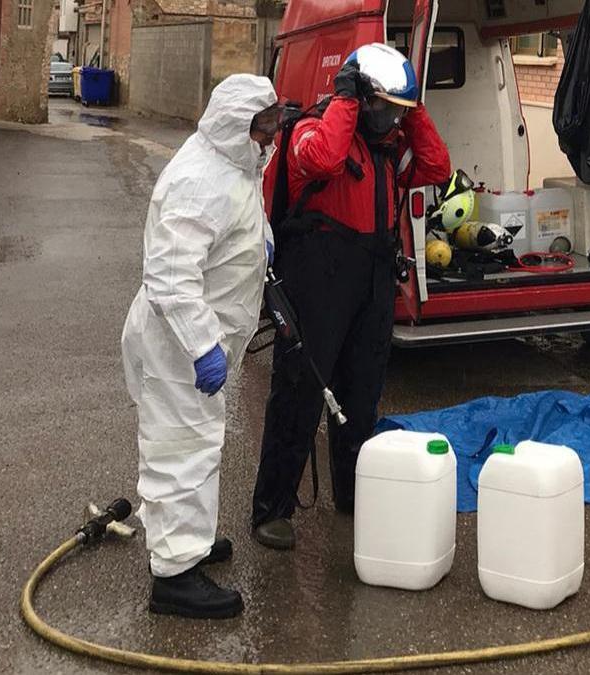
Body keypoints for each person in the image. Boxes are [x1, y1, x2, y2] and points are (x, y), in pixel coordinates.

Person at [250, 43, 451, 549]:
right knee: (298, 394)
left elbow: (436, 166)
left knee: (360, 395)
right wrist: (345, 99)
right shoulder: (311, 132)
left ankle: (353, 490)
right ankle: (271, 508)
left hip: (372, 281)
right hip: (317, 281)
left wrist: (414, 107)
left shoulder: (387, 150)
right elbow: (322, 160)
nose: (390, 121)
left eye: (396, 112)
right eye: (385, 107)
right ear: (360, 96)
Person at [121, 74, 283, 619]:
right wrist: (200, 346)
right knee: (177, 451)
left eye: (272, 127)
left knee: (201, 443)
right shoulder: (198, 179)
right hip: (178, 350)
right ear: (236, 126)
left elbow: (239, 229)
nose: (270, 140)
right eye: (262, 129)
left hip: (204, 345)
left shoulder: (234, 166)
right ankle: (172, 577)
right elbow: (169, 275)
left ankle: (190, 541)